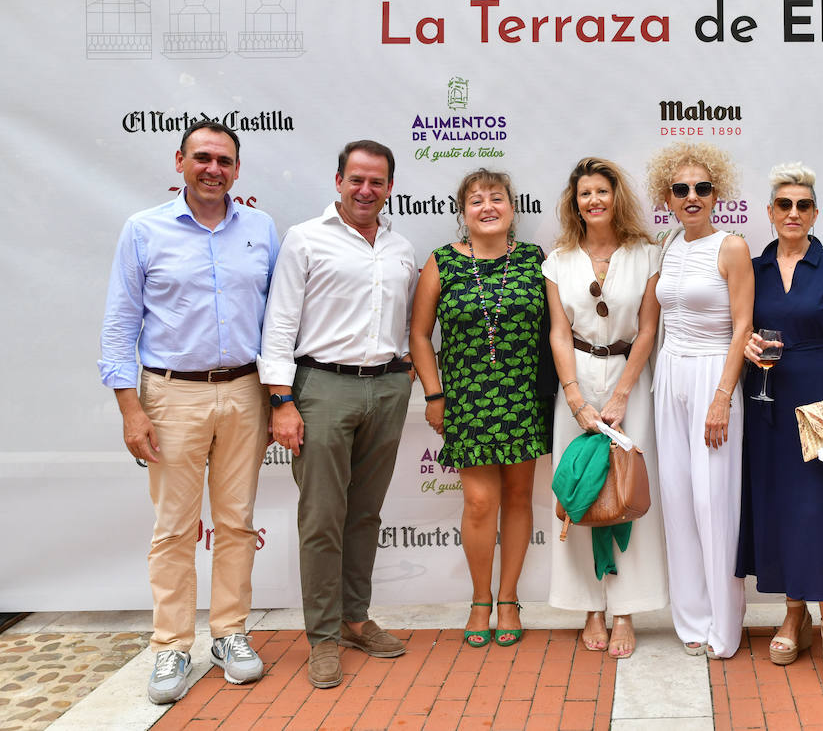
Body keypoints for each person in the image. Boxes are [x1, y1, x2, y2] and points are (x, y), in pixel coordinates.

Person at [100, 120, 278, 704]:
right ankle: (171, 645)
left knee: (236, 521)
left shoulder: (259, 228)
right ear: (179, 162)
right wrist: (131, 409)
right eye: (202, 158)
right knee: (174, 527)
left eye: (224, 161)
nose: (213, 169)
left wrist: (279, 397)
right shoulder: (144, 229)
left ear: (236, 170)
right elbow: (120, 324)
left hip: (246, 392)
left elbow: (278, 321)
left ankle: (230, 633)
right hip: (171, 394)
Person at [259, 140, 417, 689]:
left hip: (387, 389)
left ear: (390, 186)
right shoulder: (306, 239)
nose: (366, 190)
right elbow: (279, 323)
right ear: (339, 181)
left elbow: (406, 322)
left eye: (377, 181)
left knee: (364, 515)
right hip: (321, 388)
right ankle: (322, 639)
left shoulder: (400, 247)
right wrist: (281, 401)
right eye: (356, 179)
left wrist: (405, 370)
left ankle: (355, 619)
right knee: (322, 518)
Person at [410, 168, 551, 650]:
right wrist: (434, 394)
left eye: (497, 198)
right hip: (467, 402)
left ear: (512, 208)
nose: (487, 206)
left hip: (524, 397)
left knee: (517, 499)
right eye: (476, 200)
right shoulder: (443, 262)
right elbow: (420, 335)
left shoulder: (534, 260)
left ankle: (508, 599)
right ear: (462, 212)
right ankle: (478, 599)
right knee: (479, 503)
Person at [737, 163, 823, 686]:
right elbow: (740, 330)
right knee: (782, 510)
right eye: (784, 205)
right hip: (766, 400)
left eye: (803, 206)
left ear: (814, 213)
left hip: (819, 401)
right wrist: (745, 347)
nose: (793, 213)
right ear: (769, 213)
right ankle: (793, 614)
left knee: (819, 510)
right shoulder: (753, 268)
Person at [543, 158, 669, 660]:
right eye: (584, 194)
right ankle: (589, 607)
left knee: (627, 490)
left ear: (617, 196)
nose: (593, 200)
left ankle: (625, 611)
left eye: (602, 191)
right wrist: (573, 394)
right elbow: (557, 331)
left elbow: (648, 329)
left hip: (628, 380)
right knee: (579, 491)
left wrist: (621, 394)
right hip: (575, 380)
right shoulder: (558, 259)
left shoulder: (646, 254)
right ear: (574, 202)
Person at [647, 142, 753, 659]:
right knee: (678, 496)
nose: (692, 196)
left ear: (717, 195)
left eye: (702, 188)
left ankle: (725, 624)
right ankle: (691, 619)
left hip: (715, 372)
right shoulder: (666, 245)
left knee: (714, 500)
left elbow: (742, 329)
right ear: (667, 196)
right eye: (681, 189)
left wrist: (722, 397)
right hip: (670, 373)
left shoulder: (731, 246)